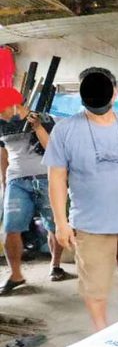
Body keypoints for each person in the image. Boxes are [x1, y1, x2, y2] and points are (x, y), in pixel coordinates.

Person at [43, 67, 118, 331]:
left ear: (115, 93)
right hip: (90, 224)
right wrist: (61, 222)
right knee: (95, 285)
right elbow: (56, 178)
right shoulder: (64, 131)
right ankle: (101, 330)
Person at [0, 86, 71, 296]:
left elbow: (53, 149)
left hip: (47, 178)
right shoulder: (1, 124)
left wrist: (37, 126)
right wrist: (4, 178)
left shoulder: (46, 120)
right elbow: (2, 153)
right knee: (11, 228)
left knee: (53, 225)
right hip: (17, 180)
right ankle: (16, 274)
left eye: (2, 109)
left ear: (15, 105)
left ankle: (55, 265)